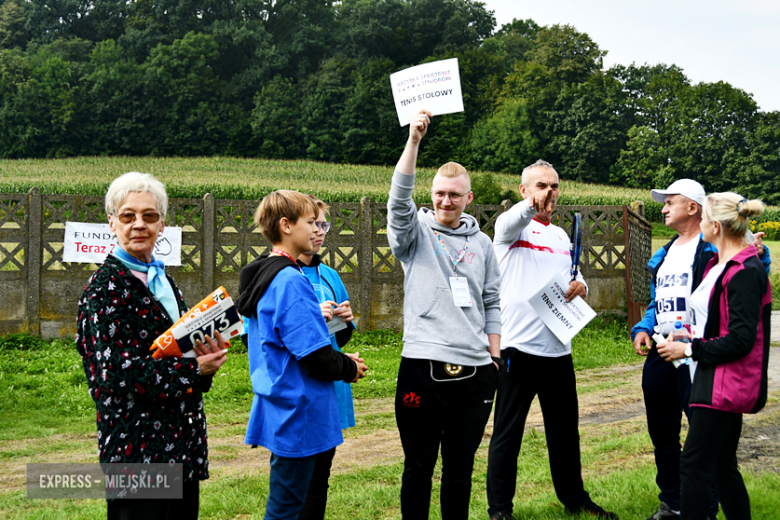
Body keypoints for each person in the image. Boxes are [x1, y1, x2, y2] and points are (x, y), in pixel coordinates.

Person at [76, 171, 228, 520]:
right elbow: (116, 373)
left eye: (149, 216)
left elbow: (175, 351)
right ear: (112, 223)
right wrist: (193, 370)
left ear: (162, 224)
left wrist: (205, 362)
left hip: (180, 441)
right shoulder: (104, 289)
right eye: (128, 216)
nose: (139, 224)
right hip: (136, 445)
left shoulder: (165, 282)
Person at [630, 180, 770, 520]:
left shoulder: (732, 264)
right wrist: (649, 328)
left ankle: (703, 511)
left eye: (670, 201)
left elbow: (740, 330)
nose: (662, 208)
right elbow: (688, 308)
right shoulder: (702, 263)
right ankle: (673, 503)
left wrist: (689, 348)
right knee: (717, 464)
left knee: (697, 463)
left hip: (713, 372)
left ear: (709, 220)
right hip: (688, 357)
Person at [486, 160, 617, 520]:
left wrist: (583, 285)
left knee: (564, 433)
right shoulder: (512, 230)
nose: (550, 192)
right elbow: (508, 222)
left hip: (559, 349)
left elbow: (573, 275)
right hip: (518, 349)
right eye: (541, 185)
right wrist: (531, 207)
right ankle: (500, 509)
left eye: (555, 186)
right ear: (523, 190)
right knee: (507, 435)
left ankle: (575, 499)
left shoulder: (561, 236)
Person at [387, 109, 502, 519]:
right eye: (439, 193)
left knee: (460, 468)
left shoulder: (484, 244)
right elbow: (399, 201)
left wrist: (494, 356)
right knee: (418, 467)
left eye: (454, 194)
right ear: (431, 194)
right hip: (423, 364)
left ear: (468, 198)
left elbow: (492, 300)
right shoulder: (414, 233)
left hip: (475, 371)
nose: (446, 201)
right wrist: (414, 140)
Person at [236, 190, 367, 520]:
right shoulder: (290, 281)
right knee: (287, 508)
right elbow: (315, 355)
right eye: (311, 222)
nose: (318, 230)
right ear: (285, 225)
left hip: (280, 404)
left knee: (288, 500)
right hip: (301, 410)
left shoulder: (266, 275)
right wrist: (349, 368)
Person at [296, 196, 361, 520]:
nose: (320, 231)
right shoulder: (281, 276)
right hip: (300, 388)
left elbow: (341, 337)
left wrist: (345, 321)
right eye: (313, 224)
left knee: (320, 476)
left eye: (324, 224)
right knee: (298, 482)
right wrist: (312, 317)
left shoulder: (330, 276)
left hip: (331, 386)